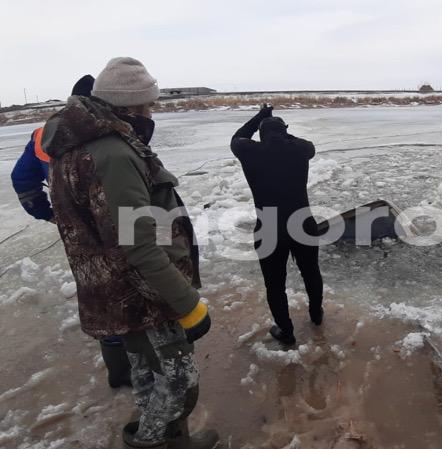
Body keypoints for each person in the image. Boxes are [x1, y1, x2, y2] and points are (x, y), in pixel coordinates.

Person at [41, 57, 218, 449]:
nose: (152, 111)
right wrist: (187, 303)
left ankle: (167, 440)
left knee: (144, 371)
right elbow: (136, 242)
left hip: (115, 288)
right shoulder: (114, 154)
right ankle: (153, 441)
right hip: (144, 293)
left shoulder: (72, 145)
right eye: (148, 104)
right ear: (131, 105)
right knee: (178, 384)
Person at [10, 75, 134, 389]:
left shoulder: (43, 134)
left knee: (100, 294)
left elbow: (22, 179)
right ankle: (138, 365)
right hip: (119, 225)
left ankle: (119, 371)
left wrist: (50, 215)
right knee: (134, 287)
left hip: (77, 231)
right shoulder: (111, 131)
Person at [230, 106, 324, 346]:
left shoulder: (249, 151)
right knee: (311, 272)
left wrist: (260, 119)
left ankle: (286, 330)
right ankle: (316, 314)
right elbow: (308, 144)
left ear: (261, 135)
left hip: (269, 228)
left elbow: (238, 137)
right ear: (285, 132)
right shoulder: (301, 150)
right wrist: (282, 134)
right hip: (303, 224)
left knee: (275, 284)